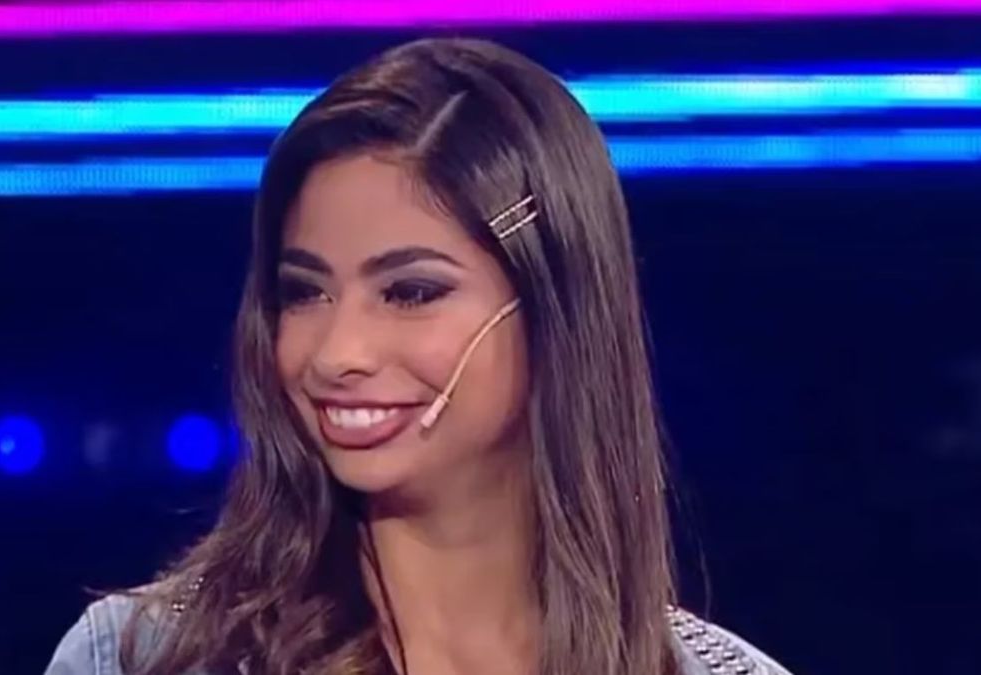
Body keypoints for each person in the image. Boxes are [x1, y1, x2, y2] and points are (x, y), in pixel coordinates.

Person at [45, 38, 792, 675]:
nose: (337, 353)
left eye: (410, 292)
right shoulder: (142, 658)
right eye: (304, 292)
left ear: (551, 307)